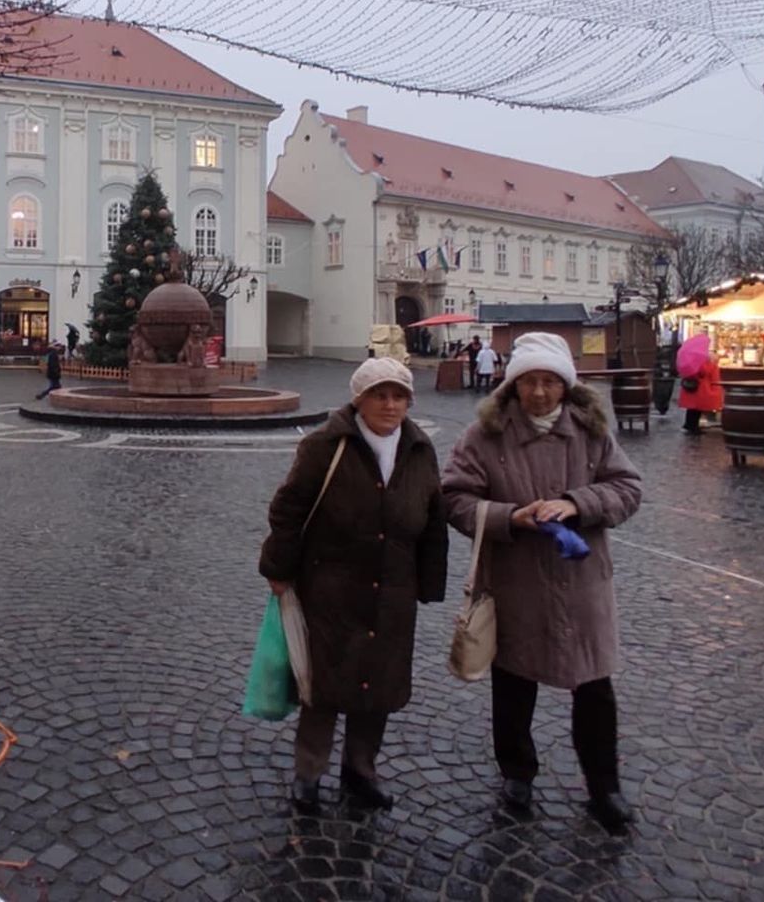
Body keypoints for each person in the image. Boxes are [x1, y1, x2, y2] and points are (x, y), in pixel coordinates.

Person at [441, 332, 643, 833]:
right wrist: (512, 517)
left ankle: (603, 786)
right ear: (513, 384)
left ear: (565, 385)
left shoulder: (591, 431)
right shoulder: (485, 435)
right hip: (517, 582)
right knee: (513, 685)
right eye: (529, 381)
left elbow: (627, 487)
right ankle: (517, 775)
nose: (539, 392)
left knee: (595, 689)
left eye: (550, 382)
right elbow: (454, 498)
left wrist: (578, 503)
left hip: (582, 585)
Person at [259, 357, 449, 814]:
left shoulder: (419, 448)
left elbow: (433, 520)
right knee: (323, 686)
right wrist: (279, 571)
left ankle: (361, 770)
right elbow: (289, 509)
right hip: (331, 585)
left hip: (393, 590)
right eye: (379, 395)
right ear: (358, 399)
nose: (389, 404)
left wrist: (430, 582)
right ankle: (309, 774)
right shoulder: (328, 444)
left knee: (378, 687)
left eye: (398, 395)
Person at [675, 333, 722, 434]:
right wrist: (712, 364)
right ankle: (692, 427)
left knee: (692, 409)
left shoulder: (692, 360)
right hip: (699, 388)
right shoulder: (701, 361)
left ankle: (689, 425)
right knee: (696, 409)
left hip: (691, 387)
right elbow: (704, 372)